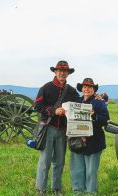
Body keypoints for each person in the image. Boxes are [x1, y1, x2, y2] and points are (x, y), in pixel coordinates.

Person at [34, 60, 80, 195]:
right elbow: (37, 106)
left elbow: (80, 103)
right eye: (60, 70)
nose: (62, 73)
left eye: (65, 71)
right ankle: (41, 189)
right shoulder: (46, 88)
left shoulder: (71, 90)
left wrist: (96, 97)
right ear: (55, 72)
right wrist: (54, 111)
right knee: (45, 161)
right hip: (48, 128)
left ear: (68, 73)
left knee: (59, 161)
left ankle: (56, 189)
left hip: (63, 130)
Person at [70, 78, 109, 194]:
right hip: (77, 139)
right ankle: (77, 191)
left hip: (94, 141)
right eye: (84, 87)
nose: (86, 89)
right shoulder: (76, 101)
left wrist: (94, 115)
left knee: (91, 171)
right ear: (82, 89)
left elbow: (105, 119)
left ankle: (91, 192)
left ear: (93, 90)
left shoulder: (99, 102)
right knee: (77, 169)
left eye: (89, 87)